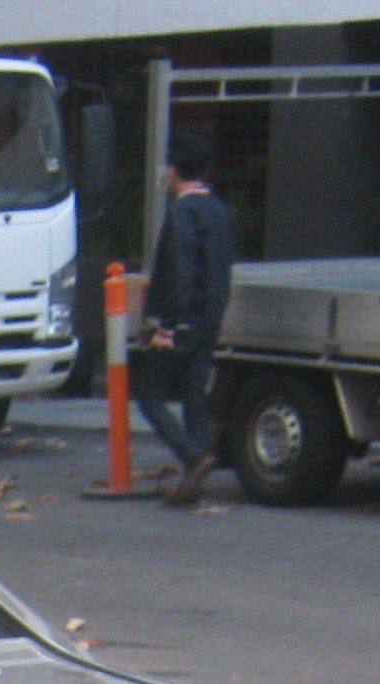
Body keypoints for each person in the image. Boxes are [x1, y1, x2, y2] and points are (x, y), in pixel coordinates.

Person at [142, 134, 236, 506]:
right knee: (195, 394)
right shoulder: (218, 210)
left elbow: (180, 270)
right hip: (211, 316)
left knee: (149, 395)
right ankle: (194, 473)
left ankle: (193, 456)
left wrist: (167, 324)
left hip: (183, 319)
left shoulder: (182, 213)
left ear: (173, 170)